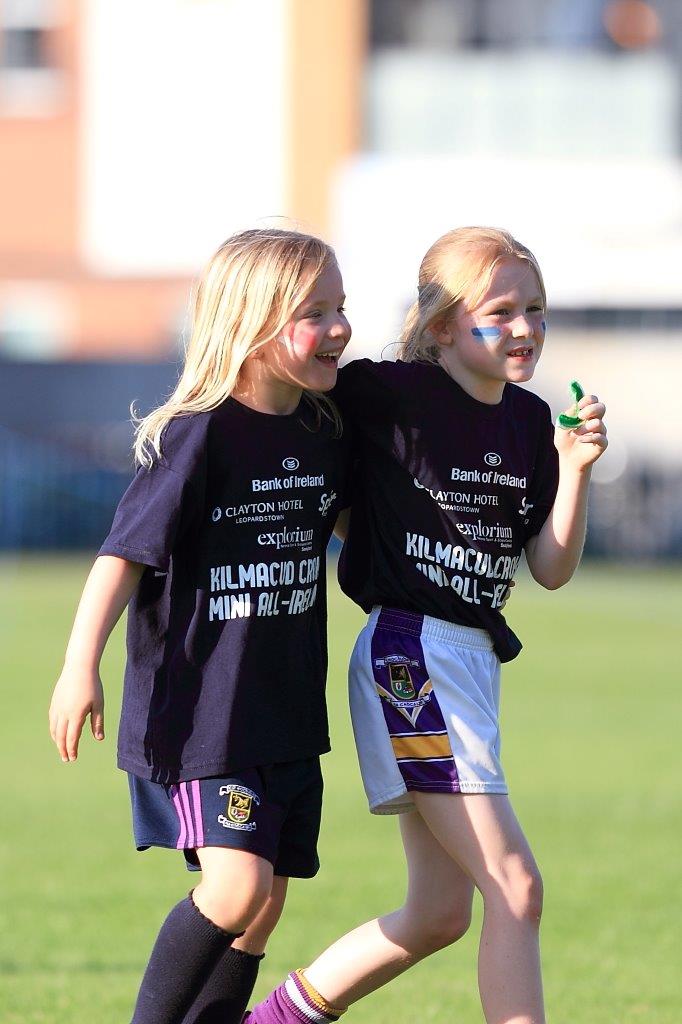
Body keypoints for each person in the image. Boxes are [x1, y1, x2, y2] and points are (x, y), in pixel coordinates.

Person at [244, 226, 608, 1024]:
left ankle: (269, 1019)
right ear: (441, 324)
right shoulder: (388, 392)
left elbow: (548, 567)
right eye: (501, 310)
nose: (525, 328)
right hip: (410, 654)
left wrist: (575, 469)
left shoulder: (528, 421)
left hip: (472, 665)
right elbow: (293, 395)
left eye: (536, 309)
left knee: (440, 913)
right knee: (517, 887)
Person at [48, 227, 352, 1024]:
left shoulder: (324, 434)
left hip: (284, 713)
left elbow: (357, 529)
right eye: (314, 313)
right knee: (235, 886)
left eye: (341, 308)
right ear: (250, 325)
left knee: (263, 908)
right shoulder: (199, 433)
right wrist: (81, 667)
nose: (339, 328)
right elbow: (122, 557)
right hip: (203, 717)